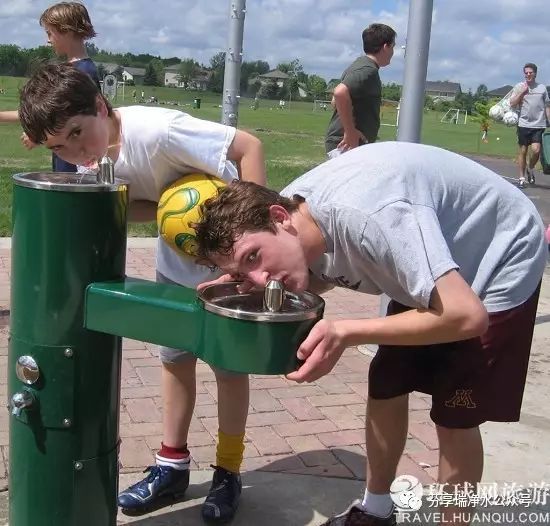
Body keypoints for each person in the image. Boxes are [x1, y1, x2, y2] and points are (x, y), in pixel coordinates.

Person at [193, 142, 546, 526]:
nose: (260, 279)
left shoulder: (375, 218)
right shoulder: (292, 217)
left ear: (279, 217)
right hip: (432, 254)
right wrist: (244, 288)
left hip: (498, 249)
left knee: (454, 413)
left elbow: (466, 316)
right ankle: (376, 510)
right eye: (242, 271)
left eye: (253, 257)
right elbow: (327, 272)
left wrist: (347, 331)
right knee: (387, 382)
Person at [18, 64, 266, 524]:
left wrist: (251, 238)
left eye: (78, 133)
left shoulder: (158, 132)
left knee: (228, 368)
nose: (76, 152)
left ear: (100, 106)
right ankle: (172, 465)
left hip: (231, 265)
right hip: (178, 263)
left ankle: (228, 471)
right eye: (59, 147)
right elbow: (152, 206)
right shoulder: (94, 158)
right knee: (175, 360)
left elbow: (248, 146)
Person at [0, 1, 99, 173]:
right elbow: (49, 112)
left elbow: (72, 120)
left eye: (50, 33)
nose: (48, 40)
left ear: (67, 31)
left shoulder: (81, 73)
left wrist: (39, 135)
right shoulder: (74, 70)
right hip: (68, 163)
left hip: (78, 169)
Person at [325, 23, 396, 159]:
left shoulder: (360, 65)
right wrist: (350, 132)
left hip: (347, 144)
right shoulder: (367, 71)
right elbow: (339, 93)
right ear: (385, 47)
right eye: (393, 46)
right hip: (346, 145)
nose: (393, 52)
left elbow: (335, 102)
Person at [509, 63, 550, 188]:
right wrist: (522, 92)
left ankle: (530, 168)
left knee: (536, 150)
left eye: (530, 72)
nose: (528, 74)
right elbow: (512, 103)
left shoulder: (542, 88)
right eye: (526, 73)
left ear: (535, 74)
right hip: (523, 124)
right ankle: (521, 178)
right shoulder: (519, 87)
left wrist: (549, 120)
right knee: (522, 151)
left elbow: (547, 106)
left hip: (539, 124)